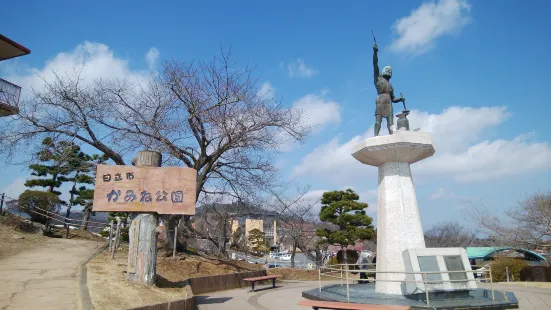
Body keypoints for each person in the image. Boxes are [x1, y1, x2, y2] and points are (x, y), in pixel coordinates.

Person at [372, 42, 405, 136]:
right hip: (380, 101)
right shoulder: (378, 78)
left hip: (389, 103)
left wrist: (400, 99)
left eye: (390, 70)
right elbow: (375, 64)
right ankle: (376, 135)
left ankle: (392, 136)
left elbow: (393, 98)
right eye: (387, 69)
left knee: (391, 123)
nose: (389, 71)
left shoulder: (390, 86)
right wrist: (375, 52)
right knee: (378, 121)